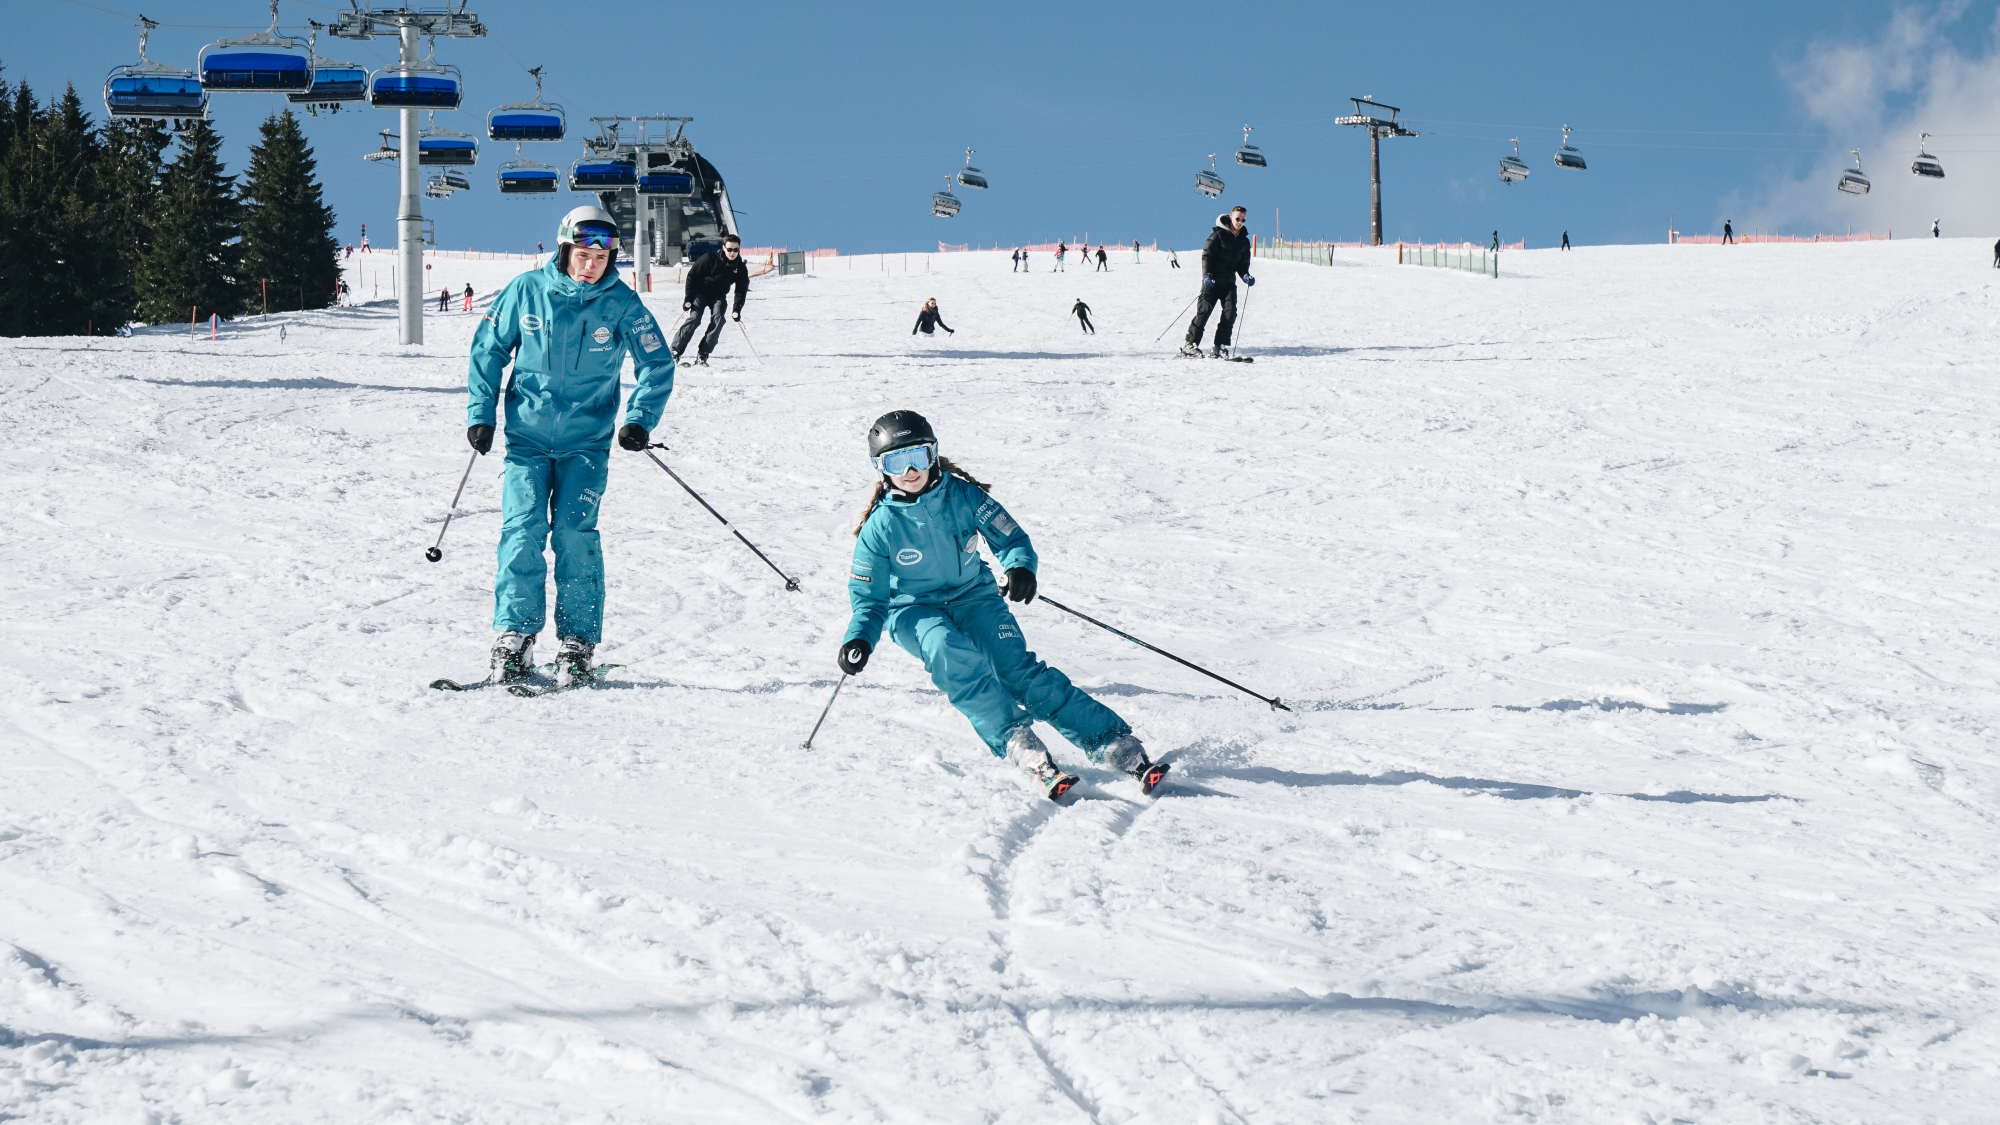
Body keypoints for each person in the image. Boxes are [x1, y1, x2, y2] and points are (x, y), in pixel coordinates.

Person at [837, 411, 1169, 800]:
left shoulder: (963, 496)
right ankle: (1020, 746)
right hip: (912, 611)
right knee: (951, 654)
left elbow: (1010, 538)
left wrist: (1020, 568)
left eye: (919, 457)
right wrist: (859, 638)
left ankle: (1115, 745)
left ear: (934, 455)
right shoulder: (881, 526)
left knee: (1018, 671)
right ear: (881, 469)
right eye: (896, 461)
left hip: (974, 597)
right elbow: (869, 598)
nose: (910, 470)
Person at [464, 205, 676, 687]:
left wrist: (639, 420)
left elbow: (657, 364)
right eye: (582, 254)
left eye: (600, 257)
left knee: (575, 535)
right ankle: (514, 636)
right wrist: (480, 415)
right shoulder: (526, 291)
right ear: (564, 249)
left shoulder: (622, 304)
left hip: (587, 443)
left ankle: (576, 643)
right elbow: (488, 351)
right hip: (527, 439)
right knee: (522, 531)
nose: (591, 265)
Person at [1179, 206, 1253, 358]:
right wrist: (1207, 276)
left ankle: (1220, 345)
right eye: (1237, 219)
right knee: (1204, 312)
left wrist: (1246, 276)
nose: (1240, 222)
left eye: (1243, 220)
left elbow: (1242, 265)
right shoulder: (1217, 236)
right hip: (1212, 282)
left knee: (1230, 313)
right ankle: (1190, 345)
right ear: (1230, 217)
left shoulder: (1244, 242)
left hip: (1229, 284)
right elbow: (1207, 256)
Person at [672, 233, 749, 366]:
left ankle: (703, 354)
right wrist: (688, 299)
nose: (732, 253)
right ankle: (675, 351)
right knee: (695, 318)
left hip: (718, 297)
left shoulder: (740, 268)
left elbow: (741, 290)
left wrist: (737, 309)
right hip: (700, 294)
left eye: (735, 250)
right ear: (724, 247)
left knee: (719, 320)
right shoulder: (709, 258)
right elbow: (692, 276)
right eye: (730, 249)